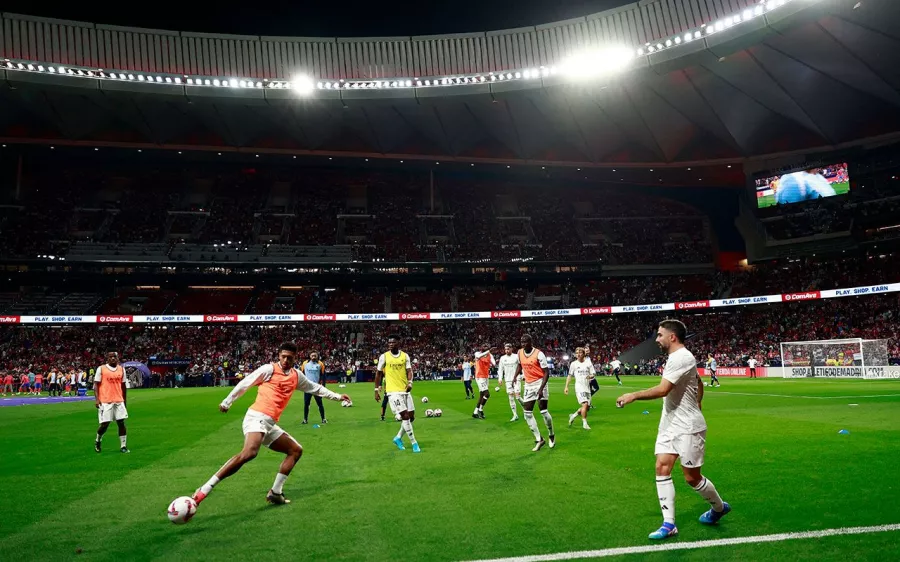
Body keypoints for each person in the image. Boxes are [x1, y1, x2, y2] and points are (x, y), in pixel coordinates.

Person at [192, 342, 349, 506]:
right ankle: (204, 489)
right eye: (283, 356)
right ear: (279, 356)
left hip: (269, 424)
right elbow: (247, 382)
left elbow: (315, 388)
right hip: (256, 417)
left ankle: (275, 492)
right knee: (249, 453)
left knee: (295, 450)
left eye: (290, 357)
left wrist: (338, 397)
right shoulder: (269, 369)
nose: (286, 360)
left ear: (295, 358)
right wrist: (227, 401)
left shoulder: (296, 376)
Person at [616, 320, 730, 540]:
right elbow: (699, 382)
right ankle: (669, 524)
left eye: (659, 335)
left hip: (688, 427)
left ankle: (718, 508)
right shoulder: (677, 358)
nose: (657, 339)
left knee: (691, 478)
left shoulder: (682, 357)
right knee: (661, 467)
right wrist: (698, 403)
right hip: (669, 424)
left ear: (672, 337)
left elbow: (663, 389)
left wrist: (633, 395)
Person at [374, 334, 421, 453]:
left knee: (411, 417)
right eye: (389, 343)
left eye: (393, 342)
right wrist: (376, 389)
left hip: (404, 390)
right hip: (392, 392)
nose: (390, 344)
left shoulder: (405, 356)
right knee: (405, 416)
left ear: (398, 343)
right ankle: (414, 443)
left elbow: (409, 370)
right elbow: (378, 373)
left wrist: (410, 383)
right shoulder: (384, 356)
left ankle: (398, 438)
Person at [513, 334, 555, 452]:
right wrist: (515, 376)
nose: (523, 344)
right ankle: (539, 439)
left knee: (543, 411)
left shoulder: (539, 354)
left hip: (540, 382)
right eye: (521, 342)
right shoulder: (520, 353)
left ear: (531, 342)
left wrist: (541, 388)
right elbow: (520, 365)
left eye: (525, 342)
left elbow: (546, 373)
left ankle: (551, 434)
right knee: (527, 413)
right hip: (528, 384)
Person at [94, 352, 130, 454]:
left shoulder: (121, 369)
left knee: (121, 423)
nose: (113, 359)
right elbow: (96, 384)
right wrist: (97, 399)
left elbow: (123, 386)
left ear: (117, 358)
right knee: (105, 424)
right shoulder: (101, 369)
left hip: (118, 400)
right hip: (105, 401)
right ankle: (98, 440)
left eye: (114, 357)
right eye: (110, 357)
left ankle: (123, 446)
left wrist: (124, 401)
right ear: (107, 359)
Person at [565, 347, 595, 430]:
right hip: (579, 387)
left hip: (587, 387)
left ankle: (573, 415)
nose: (578, 354)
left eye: (580, 352)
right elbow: (569, 375)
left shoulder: (588, 363)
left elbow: (593, 373)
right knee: (585, 404)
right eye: (577, 352)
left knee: (586, 408)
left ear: (583, 354)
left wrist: (590, 376)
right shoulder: (573, 364)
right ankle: (584, 423)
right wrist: (566, 387)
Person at [301, 351, 328, 425]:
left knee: (320, 404)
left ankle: (323, 419)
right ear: (310, 356)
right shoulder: (305, 363)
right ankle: (305, 419)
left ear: (317, 356)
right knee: (306, 404)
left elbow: (323, 375)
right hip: (307, 387)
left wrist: (323, 386)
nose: (313, 357)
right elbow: (302, 374)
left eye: (315, 356)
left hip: (316, 387)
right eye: (312, 355)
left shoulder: (320, 364)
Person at [497, 343, 521, 421]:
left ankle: (527, 410)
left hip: (516, 379)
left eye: (508, 349)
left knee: (517, 396)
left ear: (511, 349)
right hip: (508, 380)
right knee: (511, 397)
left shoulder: (516, 356)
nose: (506, 351)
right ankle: (515, 415)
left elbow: (522, 366)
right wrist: (500, 378)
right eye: (505, 349)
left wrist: (523, 375)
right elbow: (500, 369)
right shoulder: (502, 358)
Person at [472, 345, 496, 419]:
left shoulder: (490, 355)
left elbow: (494, 363)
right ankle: (480, 410)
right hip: (479, 376)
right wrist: (488, 351)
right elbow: (478, 357)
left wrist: (492, 363)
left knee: (482, 395)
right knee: (487, 394)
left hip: (486, 376)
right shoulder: (477, 353)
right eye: (484, 346)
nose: (485, 347)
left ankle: (475, 412)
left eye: (487, 347)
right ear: (481, 348)